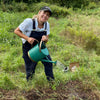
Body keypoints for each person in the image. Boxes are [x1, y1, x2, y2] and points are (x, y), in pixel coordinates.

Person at [14, 6, 54, 81]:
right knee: (31, 67)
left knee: (48, 62)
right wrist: (27, 38)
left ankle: (51, 81)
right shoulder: (29, 22)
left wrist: (45, 39)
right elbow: (16, 31)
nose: (45, 16)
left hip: (40, 48)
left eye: (48, 15)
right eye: (44, 13)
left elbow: (46, 38)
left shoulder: (46, 24)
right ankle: (30, 84)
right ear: (39, 13)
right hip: (29, 48)